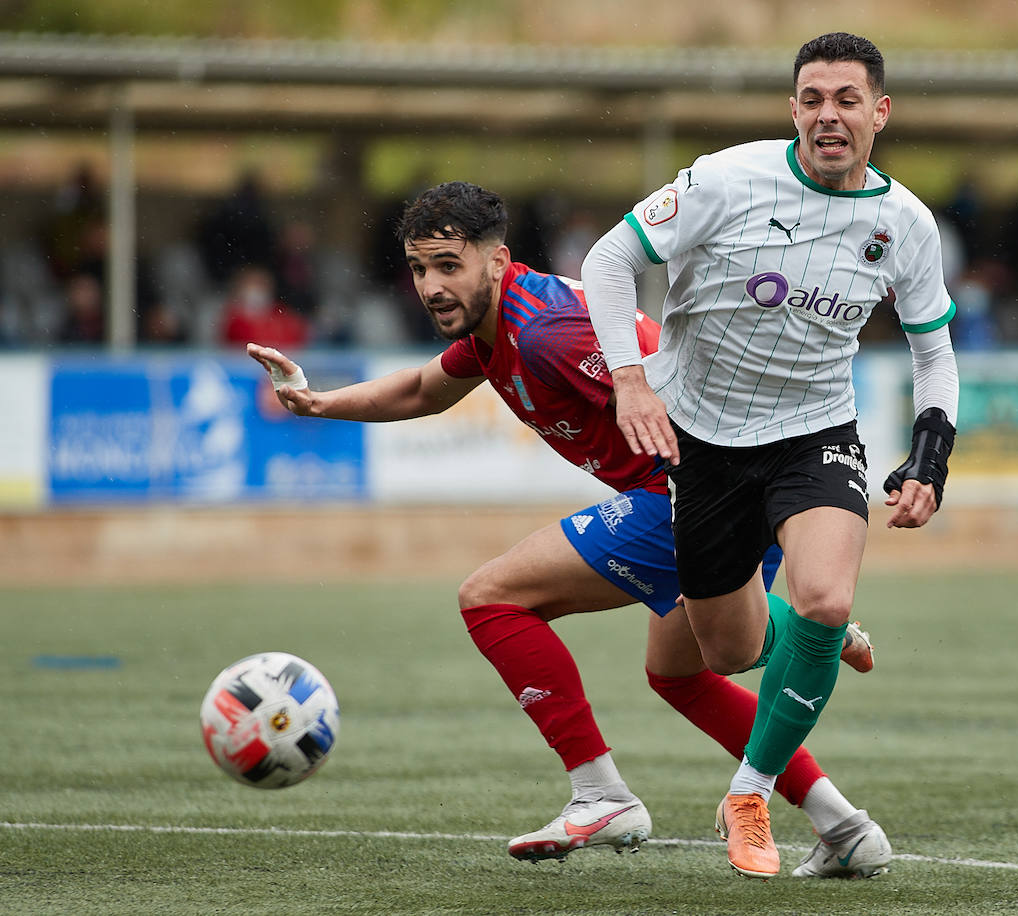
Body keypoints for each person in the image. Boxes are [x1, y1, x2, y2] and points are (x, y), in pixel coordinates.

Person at [246, 180, 892, 878]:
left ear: (497, 262)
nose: (431, 285)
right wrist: (316, 404)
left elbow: (680, 403)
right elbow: (423, 391)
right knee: (683, 673)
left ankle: (601, 792)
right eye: (419, 267)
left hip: (693, 488)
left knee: (491, 597)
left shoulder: (548, 332)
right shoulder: (496, 329)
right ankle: (842, 822)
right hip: (702, 492)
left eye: (447, 265)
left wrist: (726, 522)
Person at [582, 32, 959, 879]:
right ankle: (812, 639)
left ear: (880, 113)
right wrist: (631, 385)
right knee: (723, 651)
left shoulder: (905, 224)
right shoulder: (725, 179)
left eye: (847, 99)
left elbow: (934, 351)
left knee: (823, 597)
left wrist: (928, 456)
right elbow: (608, 261)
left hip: (816, 433)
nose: (830, 115)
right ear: (793, 110)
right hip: (704, 445)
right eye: (814, 99)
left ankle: (750, 790)